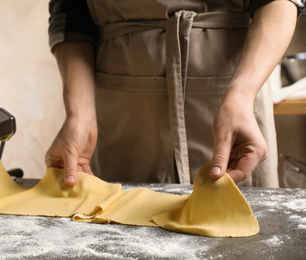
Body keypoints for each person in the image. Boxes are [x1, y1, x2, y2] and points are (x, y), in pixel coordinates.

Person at [46, 0, 304, 187]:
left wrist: (242, 94)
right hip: (122, 112)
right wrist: (79, 115)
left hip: (233, 95)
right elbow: (72, 13)